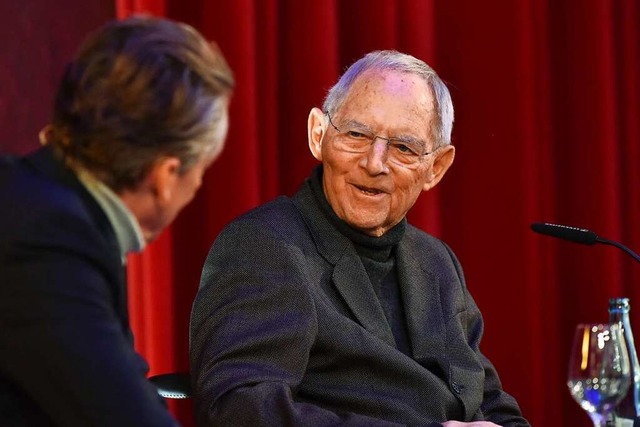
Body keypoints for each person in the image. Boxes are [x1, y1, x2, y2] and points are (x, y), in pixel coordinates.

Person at [189, 50, 529, 426]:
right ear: (318, 135)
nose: (374, 163)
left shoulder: (435, 261)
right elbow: (238, 407)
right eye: (356, 134)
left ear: (436, 167)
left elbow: (490, 400)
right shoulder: (265, 246)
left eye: (403, 147)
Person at [0, 16, 234, 426]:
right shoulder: (49, 241)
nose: (198, 183)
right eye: (202, 168)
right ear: (165, 176)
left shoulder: (36, 200)